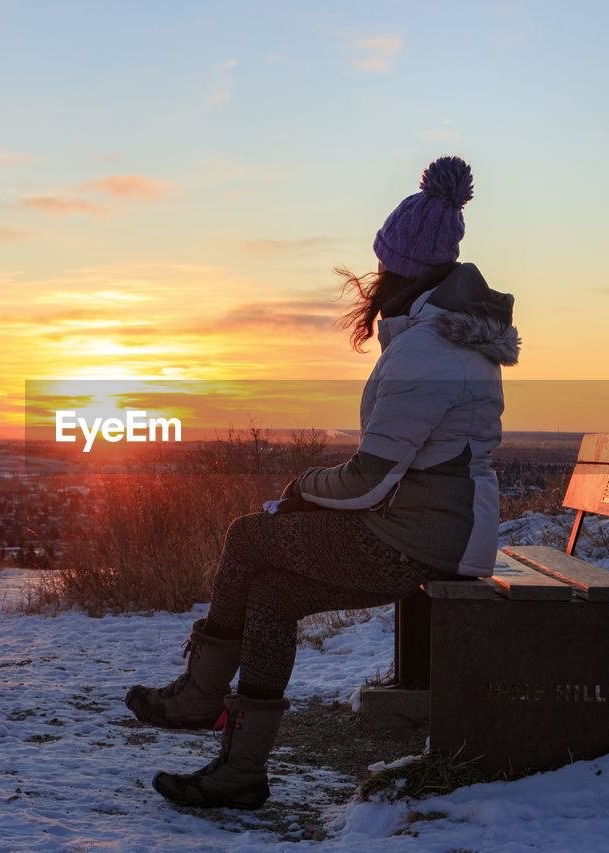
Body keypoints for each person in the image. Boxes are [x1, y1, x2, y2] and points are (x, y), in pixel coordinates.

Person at [125, 155, 520, 809]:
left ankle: (199, 696)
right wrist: (307, 495)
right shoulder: (443, 338)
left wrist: (302, 488)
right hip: (435, 528)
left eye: (383, 260)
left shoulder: (428, 351)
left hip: (423, 538)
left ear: (402, 267)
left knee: (247, 536)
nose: (374, 275)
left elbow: (367, 478)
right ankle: (241, 769)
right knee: (273, 594)